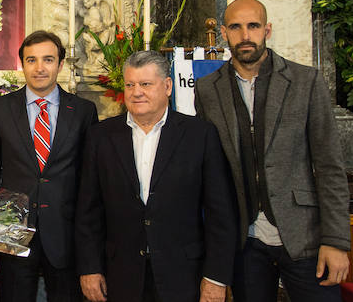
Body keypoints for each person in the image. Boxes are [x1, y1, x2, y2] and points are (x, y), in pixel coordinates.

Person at [194, 0, 351, 302]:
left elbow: (330, 166)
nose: (245, 35)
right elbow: (212, 175)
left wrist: (336, 240)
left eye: (253, 26)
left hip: (305, 238)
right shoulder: (207, 89)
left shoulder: (306, 82)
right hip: (245, 243)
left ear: (267, 30)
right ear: (224, 33)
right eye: (236, 28)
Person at [76, 51, 237, 302]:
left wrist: (216, 278)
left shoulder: (200, 135)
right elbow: (88, 211)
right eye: (130, 85)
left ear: (168, 86)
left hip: (183, 276)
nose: (136, 92)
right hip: (120, 276)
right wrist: (89, 268)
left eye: (146, 84)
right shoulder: (101, 137)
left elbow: (220, 213)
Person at [0, 30, 98, 302]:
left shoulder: (83, 111)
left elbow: (90, 181)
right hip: (14, 237)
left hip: (67, 237)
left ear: (60, 64)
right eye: (31, 60)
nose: (39, 67)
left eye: (47, 59)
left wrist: (90, 244)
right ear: (22, 64)